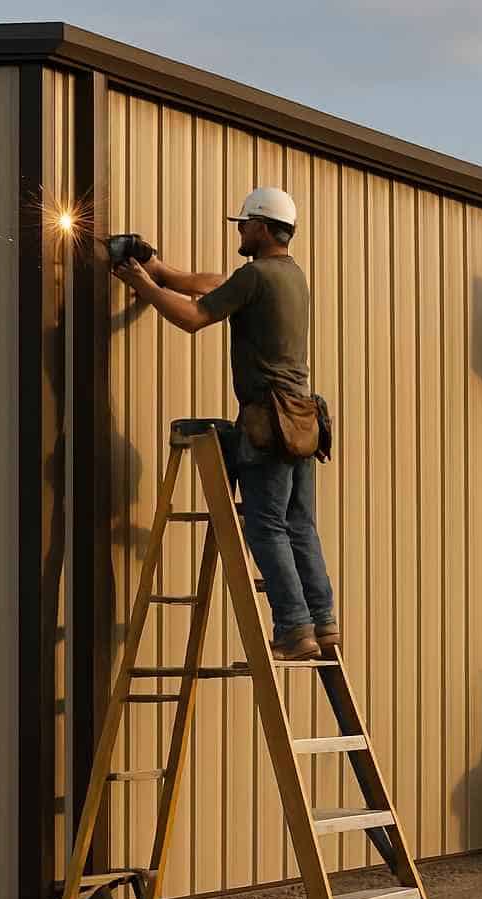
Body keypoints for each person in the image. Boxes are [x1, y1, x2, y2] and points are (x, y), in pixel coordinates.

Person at [111, 187, 339, 661]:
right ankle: (322, 621)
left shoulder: (255, 275)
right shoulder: (289, 276)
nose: (239, 230)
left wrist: (145, 286)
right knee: (300, 525)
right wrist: (159, 269)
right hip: (301, 422)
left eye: (243, 223)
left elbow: (194, 317)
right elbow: (216, 283)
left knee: (266, 526)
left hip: (268, 423)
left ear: (260, 227)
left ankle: (294, 629)